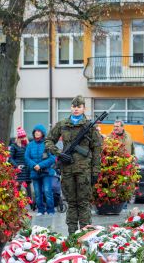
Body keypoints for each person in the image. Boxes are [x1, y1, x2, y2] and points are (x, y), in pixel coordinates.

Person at [45, 95, 103, 235]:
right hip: (67, 169)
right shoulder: (63, 124)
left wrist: (95, 171)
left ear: (84, 108)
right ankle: (72, 234)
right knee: (71, 203)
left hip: (84, 170)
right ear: (71, 107)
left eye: (79, 107)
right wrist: (58, 153)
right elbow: (48, 140)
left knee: (83, 203)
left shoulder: (89, 127)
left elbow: (96, 149)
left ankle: (85, 235)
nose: (76, 109)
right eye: (74, 106)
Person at [25, 124, 56, 216]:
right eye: (35, 131)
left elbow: (52, 158)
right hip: (35, 172)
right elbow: (26, 158)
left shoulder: (47, 144)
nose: (37, 133)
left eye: (39, 131)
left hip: (46, 172)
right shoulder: (30, 145)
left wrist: (40, 165)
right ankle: (40, 210)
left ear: (43, 133)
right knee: (37, 193)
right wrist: (34, 165)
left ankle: (50, 210)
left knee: (47, 191)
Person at [9, 127, 32, 206]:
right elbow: (10, 158)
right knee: (17, 186)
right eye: (21, 137)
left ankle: (31, 204)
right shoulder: (14, 146)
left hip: (26, 169)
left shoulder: (27, 145)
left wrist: (28, 144)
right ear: (18, 137)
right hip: (18, 170)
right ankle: (16, 204)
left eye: (24, 137)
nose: (23, 138)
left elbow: (30, 156)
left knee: (28, 187)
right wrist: (16, 166)